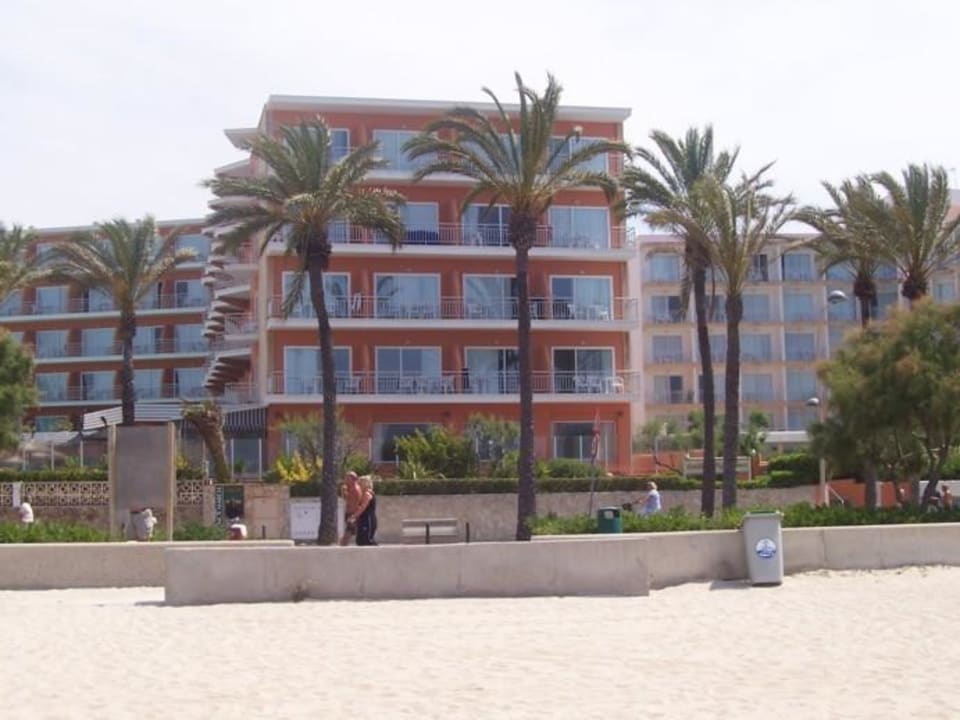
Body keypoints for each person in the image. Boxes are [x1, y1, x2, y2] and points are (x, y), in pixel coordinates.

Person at [353, 475, 378, 546]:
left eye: (360, 483)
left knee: (366, 540)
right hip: (363, 520)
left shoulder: (368, 493)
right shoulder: (363, 494)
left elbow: (363, 507)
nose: (358, 485)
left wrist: (353, 517)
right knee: (360, 540)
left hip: (367, 520)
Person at [339, 471, 362, 546]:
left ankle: (342, 547)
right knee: (349, 533)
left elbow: (350, 501)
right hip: (350, 514)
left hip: (352, 514)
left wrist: (353, 516)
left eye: (347, 478)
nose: (345, 480)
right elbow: (347, 499)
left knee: (347, 533)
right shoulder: (351, 488)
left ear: (353, 479)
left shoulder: (354, 489)